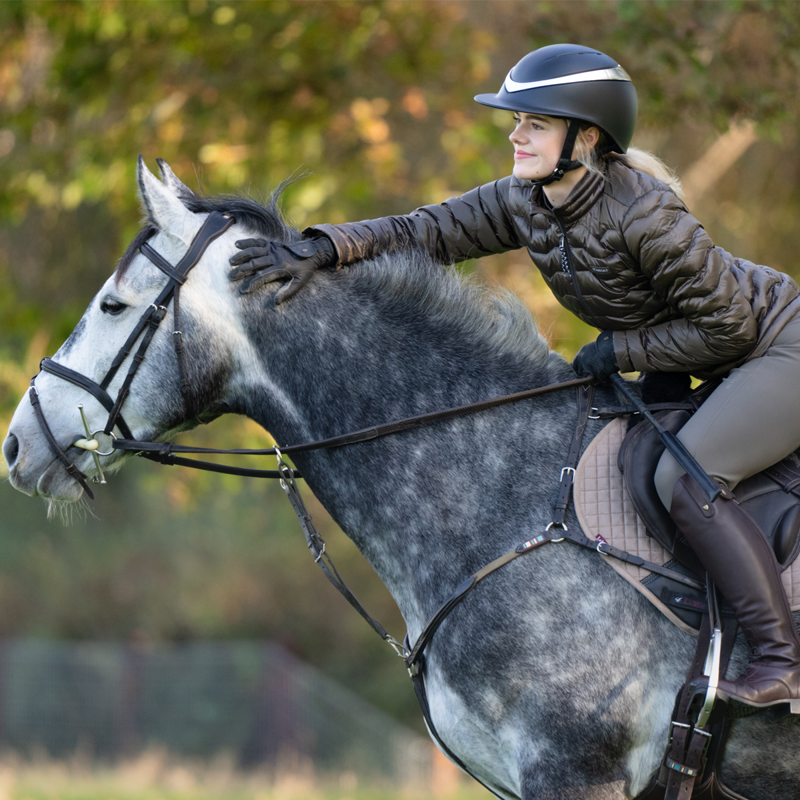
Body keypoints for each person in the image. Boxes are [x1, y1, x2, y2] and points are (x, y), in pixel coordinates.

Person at [228, 43, 800, 711]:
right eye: (517, 120)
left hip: (775, 349)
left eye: (535, 122)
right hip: (699, 358)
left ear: (585, 137)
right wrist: (323, 247)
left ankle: (780, 660)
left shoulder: (646, 214)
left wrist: (620, 350)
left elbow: (731, 327)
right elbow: (427, 231)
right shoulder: (525, 199)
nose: (515, 134)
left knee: (684, 478)